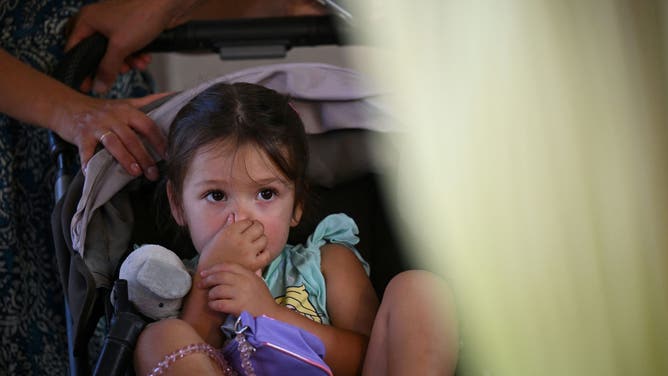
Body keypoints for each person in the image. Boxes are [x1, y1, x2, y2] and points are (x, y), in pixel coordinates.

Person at [133, 82, 459, 375]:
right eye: (216, 196)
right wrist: (209, 279)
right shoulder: (178, 283)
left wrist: (269, 314)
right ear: (178, 205)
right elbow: (194, 351)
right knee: (158, 338)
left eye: (266, 194)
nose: (242, 218)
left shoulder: (327, 264)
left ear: (297, 204)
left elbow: (369, 354)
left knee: (419, 289)